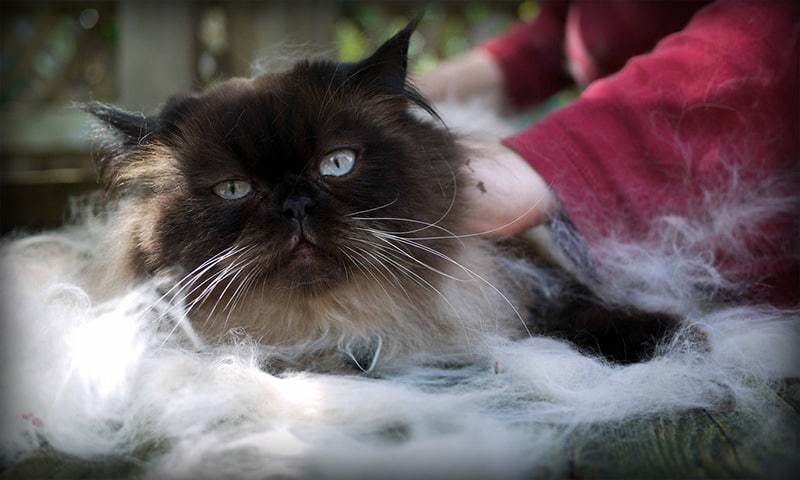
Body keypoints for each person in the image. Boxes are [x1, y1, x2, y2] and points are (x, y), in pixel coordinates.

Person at [416, 0, 799, 307]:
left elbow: (774, 26)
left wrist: (548, 162)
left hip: (753, 259)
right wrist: (398, 93)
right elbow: (563, 34)